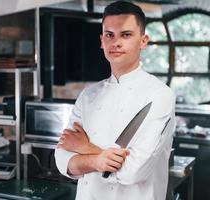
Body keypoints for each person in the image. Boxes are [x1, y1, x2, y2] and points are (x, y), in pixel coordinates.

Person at [55, 1, 175, 200]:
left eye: (126, 35)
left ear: (143, 41)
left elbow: (134, 171)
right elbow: (62, 160)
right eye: (109, 35)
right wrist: (98, 160)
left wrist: (85, 149)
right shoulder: (88, 96)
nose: (116, 42)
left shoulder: (159, 95)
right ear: (102, 41)